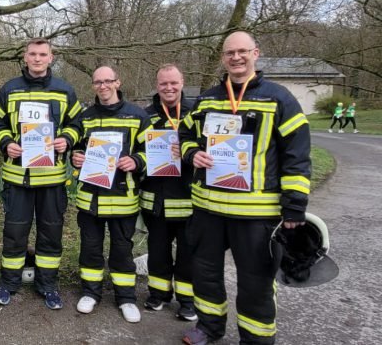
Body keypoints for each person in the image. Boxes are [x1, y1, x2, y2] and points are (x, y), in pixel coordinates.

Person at [178, 31, 311, 345]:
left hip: (256, 214)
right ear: (223, 58)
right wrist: (192, 153)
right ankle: (209, 327)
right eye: (229, 53)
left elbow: (297, 153)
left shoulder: (279, 98)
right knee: (206, 274)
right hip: (208, 208)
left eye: (242, 52)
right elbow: (185, 136)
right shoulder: (209, 98)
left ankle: (255, 338)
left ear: (256, 54)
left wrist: (294, 207)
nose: (236, 58)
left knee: (256, 281)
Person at [0, 38, 82, 310]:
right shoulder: (9, 89)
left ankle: (48, 285)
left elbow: (77, 123)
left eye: (43, 54)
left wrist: (67, 138)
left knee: (50, 234)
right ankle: (8, 283)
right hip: (17, 178)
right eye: (33, 54)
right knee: (14, 233)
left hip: (52, 179)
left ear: (51, 57)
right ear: (25, 57)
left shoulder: (65, 90)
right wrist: (7, 143)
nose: (38, 59)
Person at [66, 66, 150, 323]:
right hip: (90, 198)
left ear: (118, 82)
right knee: (90, 248)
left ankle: (125, 298)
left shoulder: (137, 116)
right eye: (97, 82)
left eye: (107, 81)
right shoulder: (86, 116)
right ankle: (91, 293)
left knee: (121, 250)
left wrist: (137, 161)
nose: (103, 86)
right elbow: (76, 148)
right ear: (93, 86)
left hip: (123, 197)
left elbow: (151, 153)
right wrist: (75, 157)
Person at [139, 64, 197, 321]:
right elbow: (137, 149)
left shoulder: (196, 112)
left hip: (187, 196)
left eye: (173, 83)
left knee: (188, 252)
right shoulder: (147, 115)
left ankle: (187, 300)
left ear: (182, 82)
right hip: (156, 197)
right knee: (158, 249)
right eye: (163, 84)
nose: (169, 88)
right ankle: (158, 293)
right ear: (157, 84)